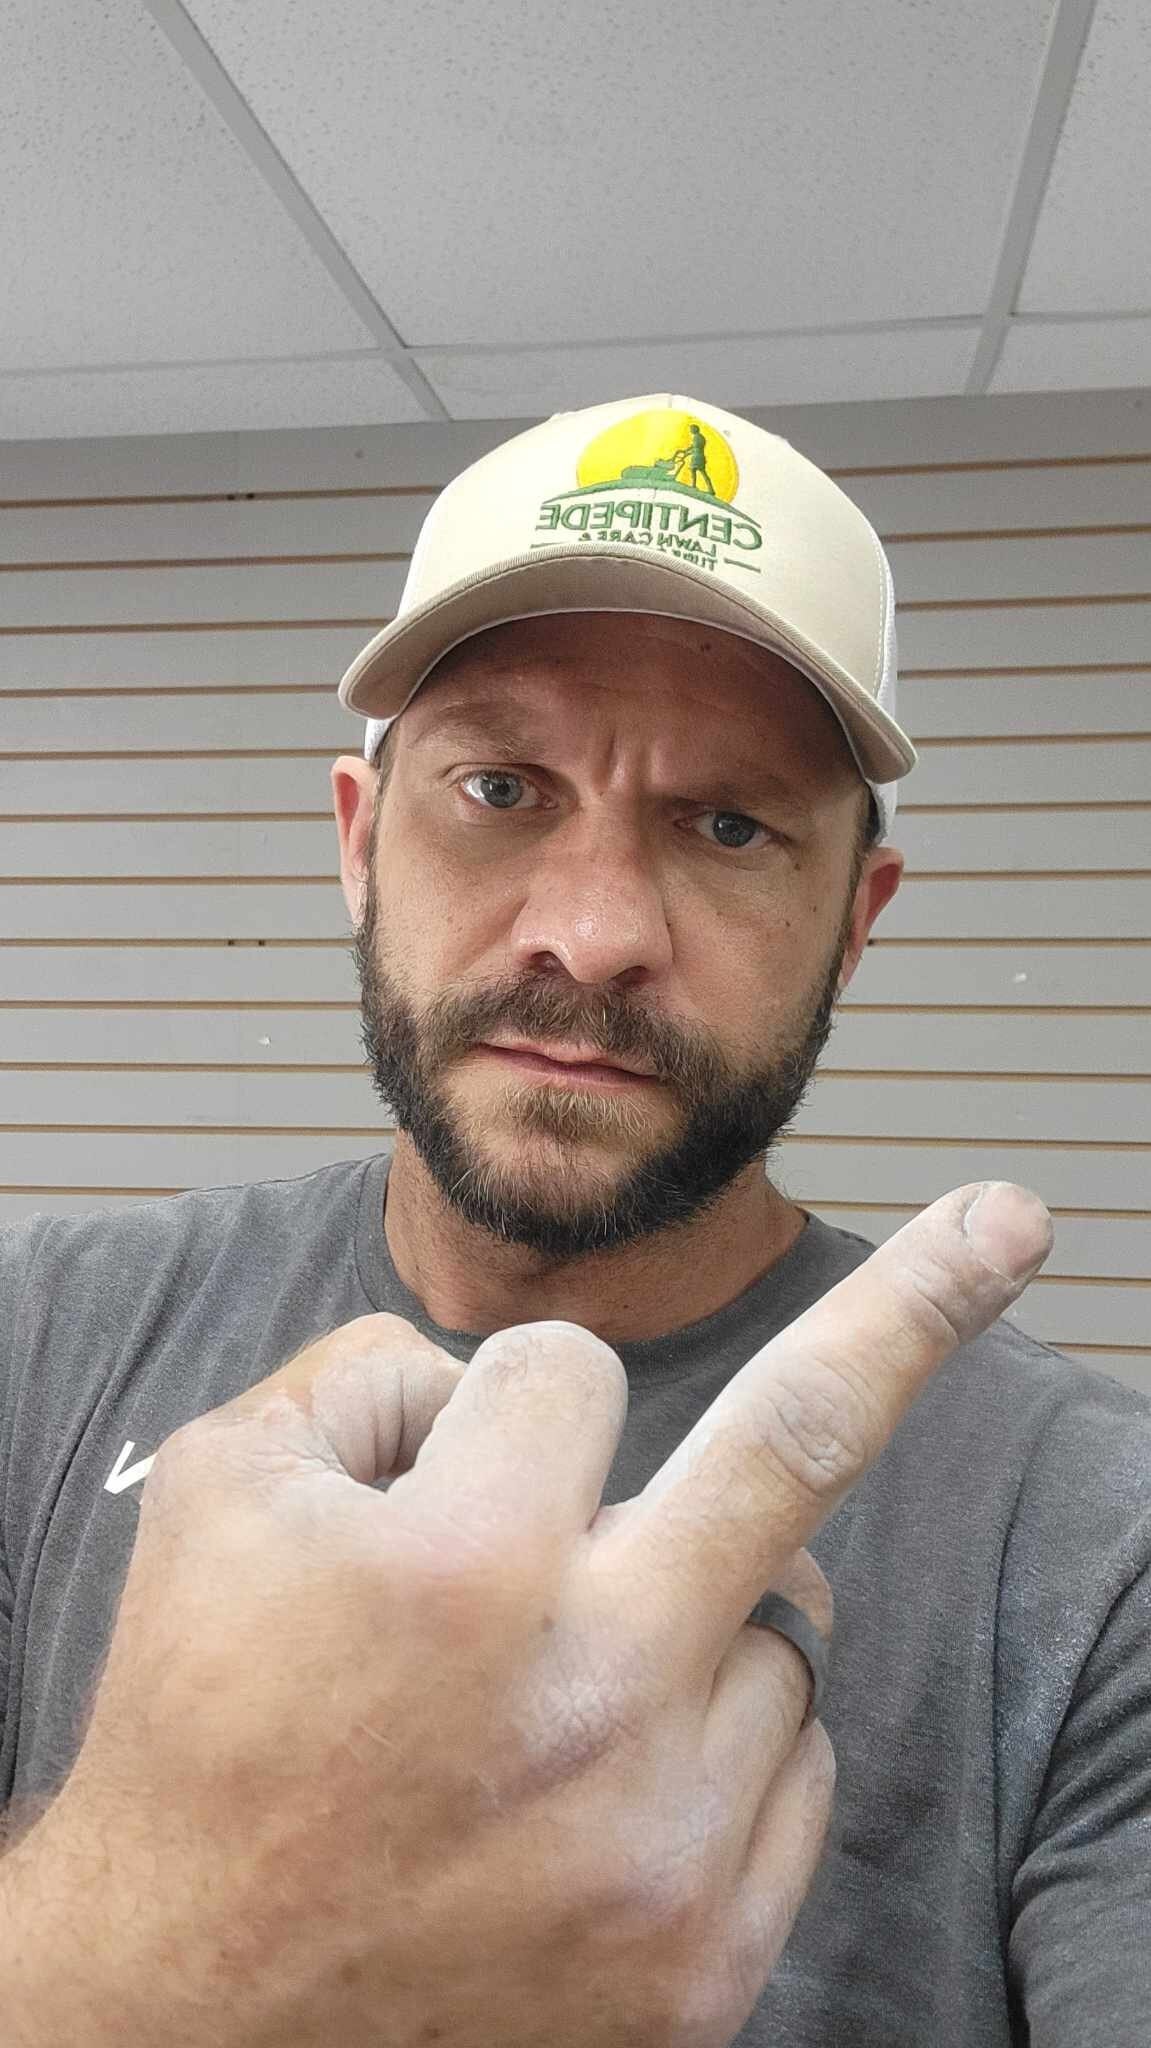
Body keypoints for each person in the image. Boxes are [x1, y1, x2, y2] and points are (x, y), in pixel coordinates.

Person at [0, 393, 1146, 2045]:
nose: (596, 933)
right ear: (357, 844)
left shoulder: (1102, 1543)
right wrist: (151, 1967)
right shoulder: (39, 1337)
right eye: (501, 786)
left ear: (853, 923)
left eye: (731, 824)